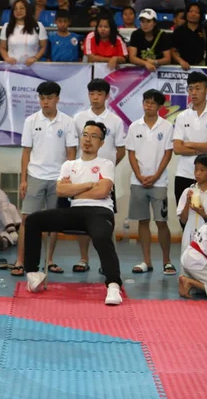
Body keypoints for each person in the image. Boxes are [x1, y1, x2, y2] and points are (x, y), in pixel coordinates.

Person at [23, 120, 123, 305]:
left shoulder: (106, 164)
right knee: (33, 221)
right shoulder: (69, 165)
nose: (88, 140)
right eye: (85, 135)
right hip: (74, 210)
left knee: (101, 236)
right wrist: (88, 184)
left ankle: (114, 285)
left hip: (100, 211)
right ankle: (33, 273)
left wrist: (75, 189)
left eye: (94, 136)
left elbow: (102, 192)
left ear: (101, 143)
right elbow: (61, 191)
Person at [10, 81, 77, 277]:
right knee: (26, 219)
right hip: (35, 176)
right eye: (42, 98)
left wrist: (68, 178)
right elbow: (26, 152)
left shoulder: (67, 122)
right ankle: (20, 261)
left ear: (57, 98)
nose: (45, 102)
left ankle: (49, 261)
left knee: (53, 222)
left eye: (49, 98)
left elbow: (71, 152)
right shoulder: (31, 121)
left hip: (59, 179)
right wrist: (23, 180)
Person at [72, 78, 125, 274]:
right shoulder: (78, 119)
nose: (95, 98)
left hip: (105, 180)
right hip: (81, 178)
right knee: (81, 218)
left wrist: (106, 169)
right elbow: (73, 147)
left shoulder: (115, 121)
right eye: (92, 94)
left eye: (99, 94)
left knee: (106, 219)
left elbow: (121, 150)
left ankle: (106, 261)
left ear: (107, 96)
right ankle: (83, 258)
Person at [126, 89, 175, 275]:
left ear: (160, 106)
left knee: (161, 221)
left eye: (153, 103)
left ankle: (167, 261)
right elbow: (131, 153)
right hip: (137, 182)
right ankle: (146, 261)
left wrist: (155, 176)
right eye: (146, 101)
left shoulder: (167, 127)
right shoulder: (134, 126)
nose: (149, 105)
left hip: (159, 183)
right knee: (143, 221)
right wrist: (139, 175)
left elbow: (168, 153)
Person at [172, 71, 207, 228]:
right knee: (185, 222)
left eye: (198, 88)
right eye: (190, 89)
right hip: (184, 175)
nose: (193, 93)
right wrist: (202, 148)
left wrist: (188, 143)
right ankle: (189, 253)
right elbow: (177, 148)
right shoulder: (182, 116)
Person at [177, 154, 207, 256]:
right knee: (187, 265)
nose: (198, 173)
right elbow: (183, 220)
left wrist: (203, 214)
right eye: (196, 169)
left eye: (202, 170)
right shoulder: (188, 191)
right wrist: (187, 202)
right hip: (189, 236)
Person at [172, 3, 207, 70]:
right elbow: (173, 51)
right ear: (186, 13)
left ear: (200, 15)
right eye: (190, 11)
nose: (193, 14)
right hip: (183, 67)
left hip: (203, 67)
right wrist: (181, 61)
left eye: (197, 12)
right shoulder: (179, 31)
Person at [0, 0, 46, 66]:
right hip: (12, 67)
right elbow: (2, 47)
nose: (18, 11)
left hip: (32, 66)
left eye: (22, 8)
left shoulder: (38, 26)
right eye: (15, 9)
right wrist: (7, 58)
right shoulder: (7, 26)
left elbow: (43, 46)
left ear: (27, 10)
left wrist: (35, 58)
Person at [0, 172, 21, 251]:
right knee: (10, 208)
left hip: (6, 225)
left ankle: (7, 239)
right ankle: (12, 237)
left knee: (9, 207)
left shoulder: (0, 194)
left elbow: (4, 210)